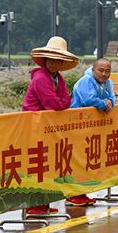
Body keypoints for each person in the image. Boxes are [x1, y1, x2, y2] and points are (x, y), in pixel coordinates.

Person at [23, 36, 79, 214]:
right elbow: (54, 104)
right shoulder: (40, 78)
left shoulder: (57, 78)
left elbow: (65, 100)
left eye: (58, 60)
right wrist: (62, 101)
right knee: (36, 165)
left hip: (47, 128)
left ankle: (44, 202)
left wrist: (61, 101)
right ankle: (34, 205)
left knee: (48, 165)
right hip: (35, 127)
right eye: (51, 59)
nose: (54, 63)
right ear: (45, 59)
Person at [67, 58, 116, 206]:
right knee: (76, 160)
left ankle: (82, 192)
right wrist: (104, 104)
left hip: (92, 129)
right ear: (93, 69)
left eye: (107, 71)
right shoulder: (86, 81)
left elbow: (112, 98)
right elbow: (89, 100)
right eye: (101, 70)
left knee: (86, 160)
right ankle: (73, 194)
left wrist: (110, 102)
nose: (104, 74)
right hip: (76, 126)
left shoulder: (108, 82)